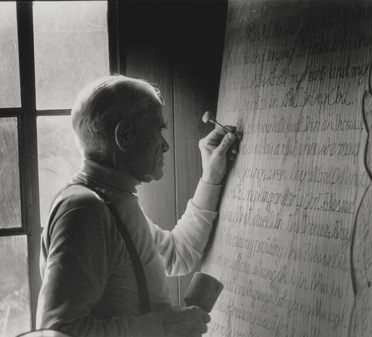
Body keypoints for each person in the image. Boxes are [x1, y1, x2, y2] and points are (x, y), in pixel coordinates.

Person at [36, 75, 238, 337]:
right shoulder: (86, 209)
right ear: (125, 134)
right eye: (158, 130)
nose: (165, 145)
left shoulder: (112, 201)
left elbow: (179, 253)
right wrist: (162, 327)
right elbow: (57, 332)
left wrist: (211, 176)